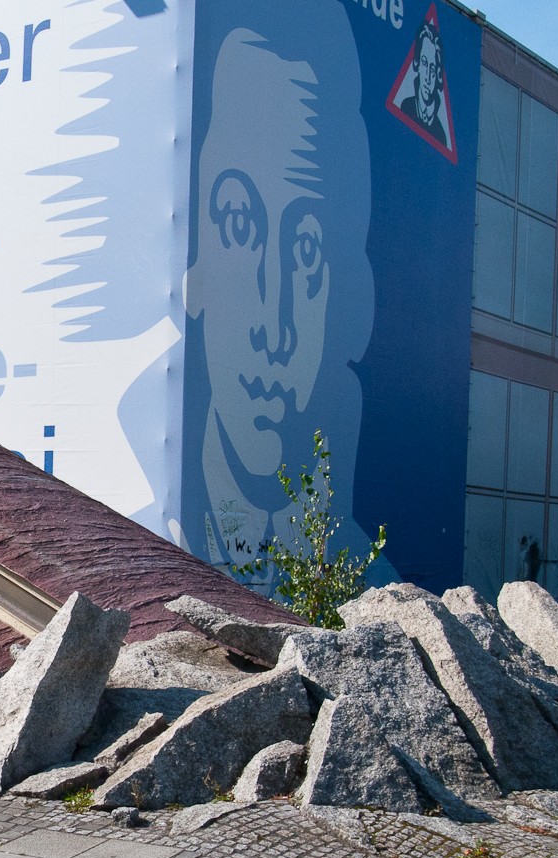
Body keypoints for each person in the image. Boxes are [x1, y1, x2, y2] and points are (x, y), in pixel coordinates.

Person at [164, 0, 384, 576]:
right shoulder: (121, 522)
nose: (274, 327)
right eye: (239, 224)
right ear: (191, 272)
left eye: (306, 249)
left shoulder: (374, 589)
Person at [398, 19, 448, 149]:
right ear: (417, 63)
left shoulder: (441, 135)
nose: (428, 78)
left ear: (438, 75)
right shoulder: (406, 107)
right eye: (424, 63)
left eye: (432, 69)